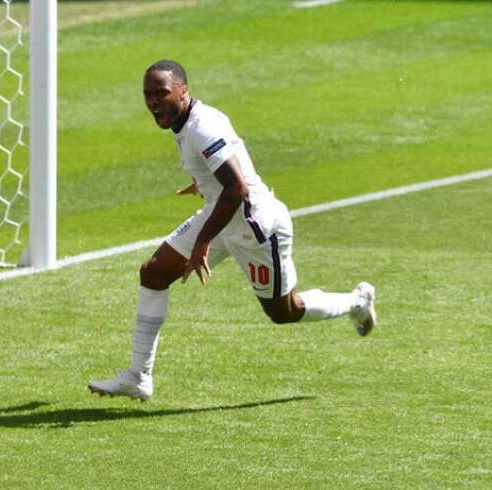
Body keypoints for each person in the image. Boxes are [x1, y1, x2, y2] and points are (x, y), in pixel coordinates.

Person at [88, 60, 377, 401]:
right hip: (221, 212)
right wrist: (204, 185)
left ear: (183, 90)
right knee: (153, 274)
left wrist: (202, 242)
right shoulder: (185, 123)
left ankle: (357, 301)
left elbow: (237, 188)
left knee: (285, 312)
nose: (153, 101)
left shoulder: (202, 127)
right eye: (147, 95)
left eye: (162, 93)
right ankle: (139, 376)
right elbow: (227, 173)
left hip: (255, 227)